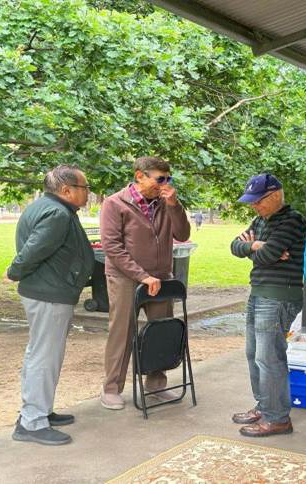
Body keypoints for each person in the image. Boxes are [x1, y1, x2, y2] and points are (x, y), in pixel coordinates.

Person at [7, 165, 94, 446]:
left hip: (50, 290)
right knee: (45, 356)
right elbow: (34, 249)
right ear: (67, 190)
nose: (88, 194)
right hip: (49, 293)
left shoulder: (49, 207)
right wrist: (14, 271)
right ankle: (32, 422)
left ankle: (39, 411)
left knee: (42, 354)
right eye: (85, 188)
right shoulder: (57, 213)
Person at [100, 156, 190, 410]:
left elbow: (182, 234)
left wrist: (174, 205)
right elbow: (112, 248)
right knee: (122, 332)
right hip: (125, 277)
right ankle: (111, 388)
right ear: (140, 176)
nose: (164, 184)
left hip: (160, 277)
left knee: (161, 330)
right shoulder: (115, 203)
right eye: (159, 179)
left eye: (168, 178)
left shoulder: (166, 202)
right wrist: (142, 276)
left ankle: (156, 385)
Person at [230, 173, 306, 437]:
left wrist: (254, 248)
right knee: (254, 354)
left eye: (258, 201)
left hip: (279, 296)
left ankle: (277, 418)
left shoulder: (293, 220)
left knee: (269, 357)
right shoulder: (261, 219)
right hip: (260, 293)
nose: (254, 206)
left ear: (274, 196)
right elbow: (234, 246)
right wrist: (256, 246)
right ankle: (265, 407)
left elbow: (269, 254)